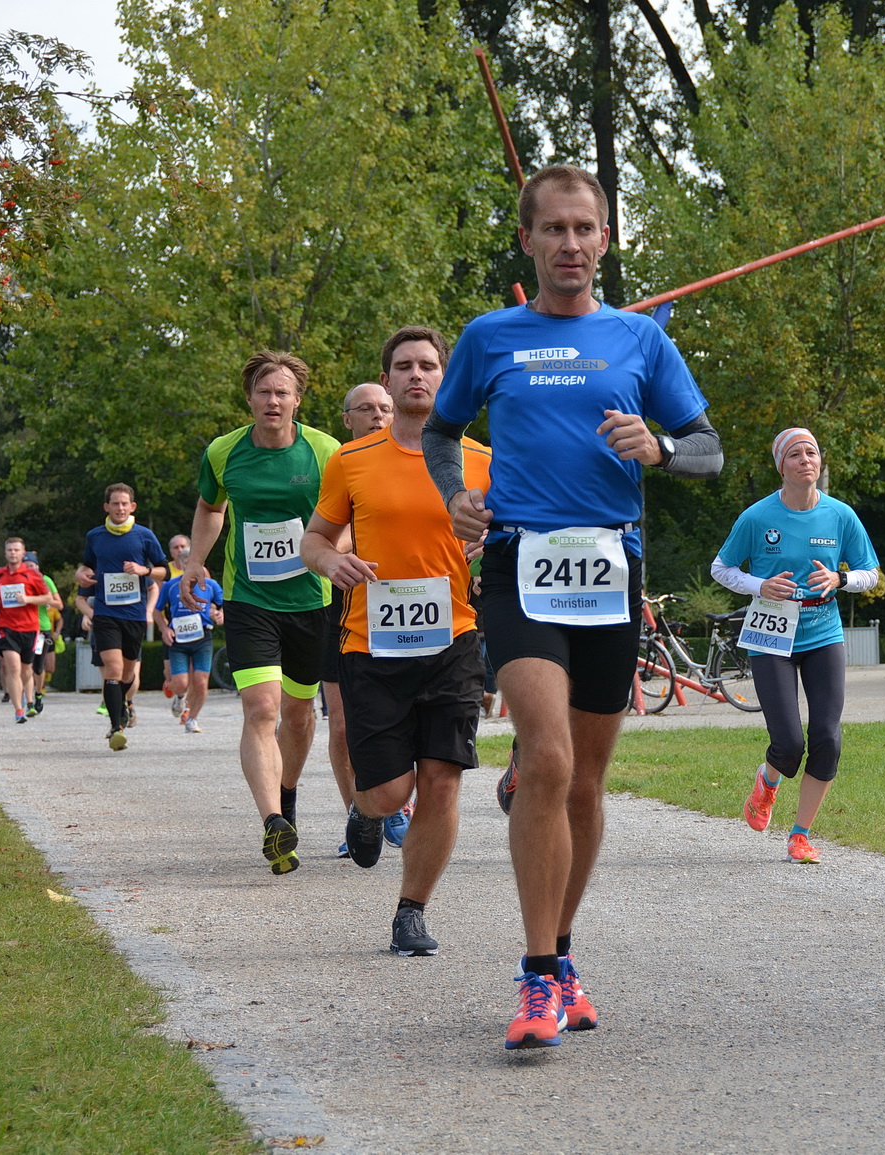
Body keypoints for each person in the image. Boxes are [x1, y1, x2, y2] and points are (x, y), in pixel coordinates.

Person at [423, 164, 724, 1049]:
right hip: (520, 567)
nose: (569, 244)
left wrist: (661, 446)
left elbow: (707, 450)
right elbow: (442, 432)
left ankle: (559, 950)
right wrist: (454, 495)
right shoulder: (489, 336)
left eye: (583, 228)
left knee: (586, 784)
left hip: (609, 572)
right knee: (547, 761)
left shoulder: (638, 340)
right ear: (527, 241)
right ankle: (535, 976)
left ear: (605, 240)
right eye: (551, 229)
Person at [304, 326, 489, 956]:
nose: (417, 375)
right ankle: (366, 810)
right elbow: (313, 540)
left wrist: (492, 542)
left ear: (446, 378)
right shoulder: (352, 461)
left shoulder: (482, 459)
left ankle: (412, 910)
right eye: (404, 366)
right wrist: (331, 564)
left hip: (454, 639)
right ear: (385, 381)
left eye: (429, 366)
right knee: (390, 791)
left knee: (442, 779)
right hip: (373, 643)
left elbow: (520, 536)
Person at [181, 351, 340, 875]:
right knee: (261, 711)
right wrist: (194, 564)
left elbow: (350, 517)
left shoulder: (324, 451)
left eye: (283, 392)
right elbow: (210, 508)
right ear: (249, 397)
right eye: (264, 392)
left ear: (297, 399)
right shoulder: (224, 451)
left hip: (312, 602)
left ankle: (286, 795)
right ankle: (273, 820)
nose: (273, 401)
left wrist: (342, 562)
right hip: (249, 601)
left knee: (297, 717)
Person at [711, 428, 880, 865]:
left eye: (812, 452)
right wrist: (759, 584)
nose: (806, 459)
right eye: (795, 454)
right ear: (780, 466)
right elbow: (721, 568)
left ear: (820, 463)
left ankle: (800, 834)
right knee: (787, 744)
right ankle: (767, 783)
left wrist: (840, 579)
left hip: (823, 632)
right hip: (770, 635)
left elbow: (870, 573)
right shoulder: (756, 517)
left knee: (827, 737)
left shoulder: (841, 516)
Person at [324, 381, 397, 855]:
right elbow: (324, 535)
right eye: (366, 409)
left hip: (409, 606)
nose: (378, 415)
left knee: (405, 716)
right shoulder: (341, 466)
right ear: (347, 420)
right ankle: (359, 813)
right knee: (344, 726)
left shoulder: (425, 458)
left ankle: (396, 807)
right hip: (342, 608)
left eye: (384, 408)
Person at [77, 485, 169, 749]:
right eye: (114, 504)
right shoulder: (95, 536)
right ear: (106, 507)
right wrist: (80, 573)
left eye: (124, 504)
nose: (119, 508)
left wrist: (143, 570)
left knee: (128, 673)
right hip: (106, 613)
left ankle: (126, 704)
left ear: (132, 507)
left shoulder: (144, 536)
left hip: (134, 614)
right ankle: (116, 726)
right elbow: (87, 566)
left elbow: (165, 572)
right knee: (113, 670)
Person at [0, 537, 60, 724]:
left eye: (16, 550)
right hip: (6, 626)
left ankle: (30, 700)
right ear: (5, 553)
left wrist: (27, 599)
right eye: (9, 550)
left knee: (27, 669)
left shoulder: (33, 575)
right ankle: (18, 709)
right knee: (13, 667)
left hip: (30, 627)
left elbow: (47, 598)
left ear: (22, 553)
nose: (12, 553)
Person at [156, 566, 223, 733]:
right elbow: (156, 610)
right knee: (180, 683)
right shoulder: (170, 585)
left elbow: (225, 603)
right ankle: (180, 698)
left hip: (202, 638)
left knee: (201, 682)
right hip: (178, 640)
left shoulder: (211, 585)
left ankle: (192, 718)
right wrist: (165, 629)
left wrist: (221, 614)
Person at [26, 551, 61, 717]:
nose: (29, 569)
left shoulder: (45, 581)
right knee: (22, 665)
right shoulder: (18, 581)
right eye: (26, 566)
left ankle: (38, 694)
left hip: (42, 628)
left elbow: (58, 604)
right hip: (23, 628)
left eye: (32, 566)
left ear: (38, 567)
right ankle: (28, 701)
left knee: (38, 666)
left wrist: (39, 600)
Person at [162, 534, 192, 718]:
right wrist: (164, 627)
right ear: (171, 551)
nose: (180, 550)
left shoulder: (200, 570)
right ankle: (177, 692)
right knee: (170, 673)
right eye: (176, 547)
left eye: (183, 546)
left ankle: (188, 709)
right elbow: (158, 600)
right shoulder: (165, 572)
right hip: (173, 627)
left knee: (193, 672)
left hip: (195, 629)